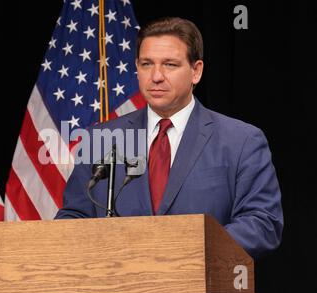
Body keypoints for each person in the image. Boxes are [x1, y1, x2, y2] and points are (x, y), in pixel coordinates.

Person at [55, 17, 283, 259]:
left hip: (202, 285)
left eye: (170, 65)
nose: (156, 76)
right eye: (146, 64)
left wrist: (186, 250)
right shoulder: (101, 138)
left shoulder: (241, 140)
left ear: (196, 71)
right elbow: (74, 216)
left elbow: (262, 223)